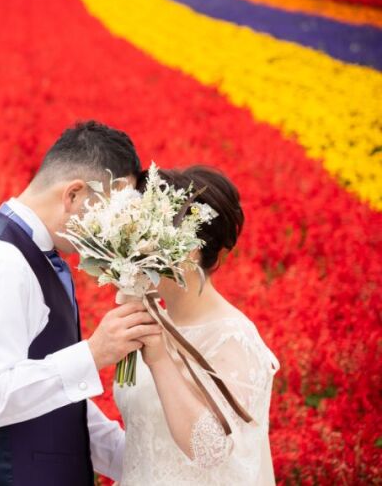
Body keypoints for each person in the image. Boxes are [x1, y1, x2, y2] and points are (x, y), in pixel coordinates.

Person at [0, 120, 162, 485]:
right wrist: (93, 353)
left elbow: (53, 402)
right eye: (113, 212)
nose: (114, 229)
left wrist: (143, 465)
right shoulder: (2, 263)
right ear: (73, 195)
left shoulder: (40, 255)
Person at [115, 165, 280, 485]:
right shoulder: (151, 321)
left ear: (189, 249)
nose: (135, 250)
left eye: (147, 238)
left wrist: (161, 359)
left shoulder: (233, 337)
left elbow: (212, 450)